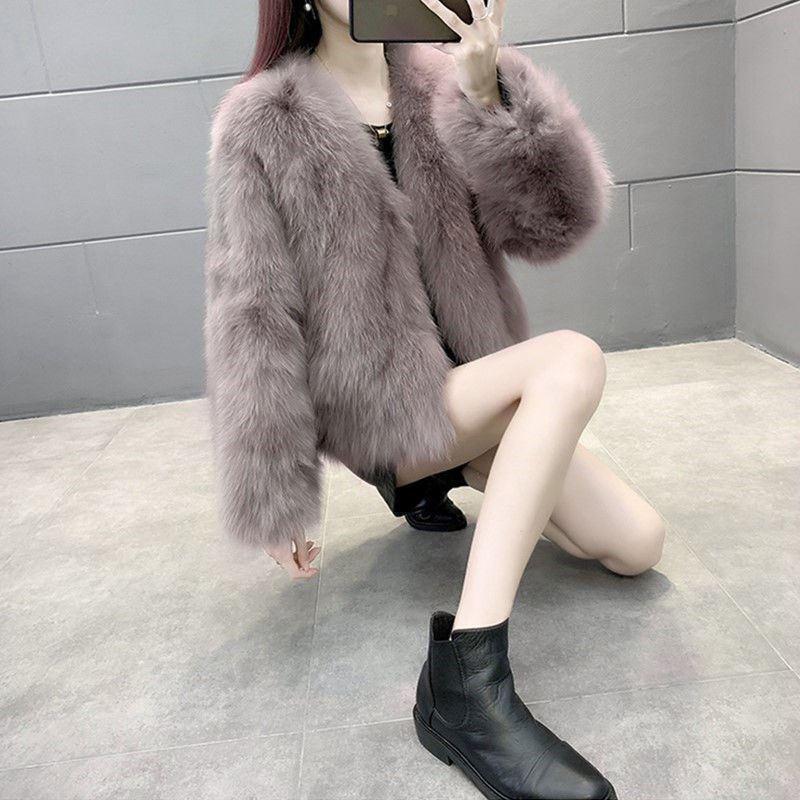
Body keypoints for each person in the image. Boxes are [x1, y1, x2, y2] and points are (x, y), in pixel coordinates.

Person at [203, 1, 666, 797]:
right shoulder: (262, 121)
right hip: (384, 415)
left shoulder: (442, 83)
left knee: (636, 545)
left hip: (477, 389)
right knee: (569, 360)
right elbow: (252, 313)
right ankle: (466, 682)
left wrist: (492, 97)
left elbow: (556, 227)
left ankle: (458, 479)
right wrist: (275, 495)